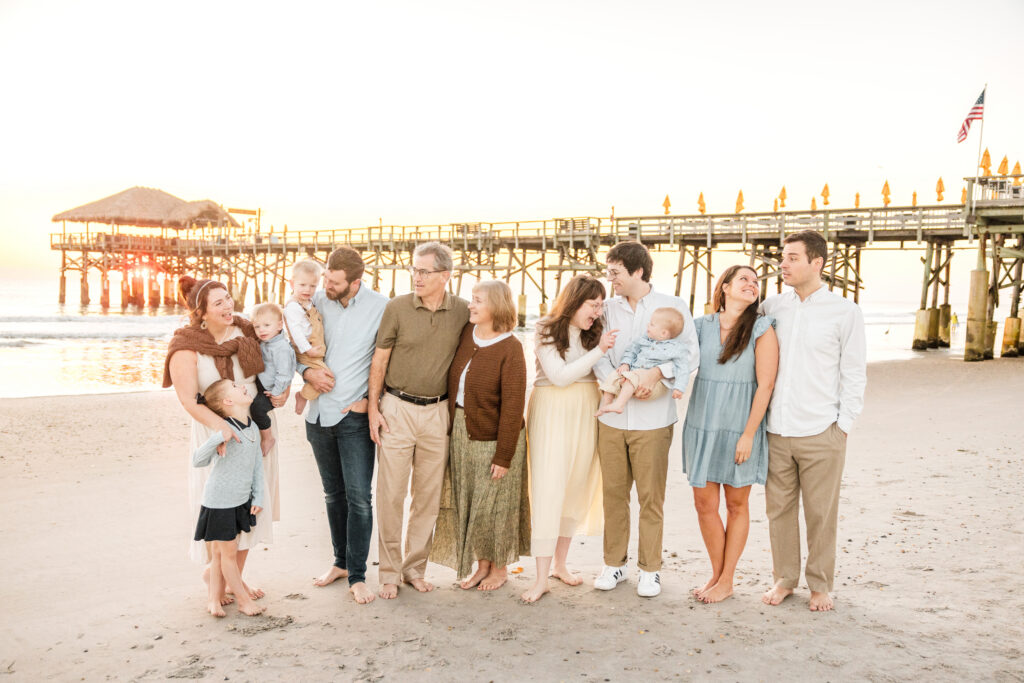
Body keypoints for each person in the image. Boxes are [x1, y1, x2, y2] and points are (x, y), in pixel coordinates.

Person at [760, 230, 866, 612]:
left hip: (823, 429)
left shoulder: (845, 311)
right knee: (779, 511)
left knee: (822, 513)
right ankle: (785, 579)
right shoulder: (772, 307)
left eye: (791, 257)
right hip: (776, 429)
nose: (782, 264)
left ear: (816, 263)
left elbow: (854, 372)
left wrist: (844, 424)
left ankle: (820, 584)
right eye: (782, 257)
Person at [164, 276, 281, 605]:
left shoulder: (246, 331)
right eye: (218, 303)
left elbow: (277, 360)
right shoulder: (186, 345)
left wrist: (281, 392)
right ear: (201, 312)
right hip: (216, 433)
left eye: (228, 298)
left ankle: (234, 579)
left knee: (252, 504)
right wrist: (225, 431)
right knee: (223, 504)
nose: (228, 305)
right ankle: (219, 574)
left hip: (255, 426)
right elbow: (188, 400)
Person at [592, 241, 699, 598]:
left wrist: (655, 376)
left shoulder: (674, 307)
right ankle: (614, 563)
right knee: (613, 495)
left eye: (616, 273)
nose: (610, 279)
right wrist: (619, 380)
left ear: (638, 271)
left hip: (654, 419)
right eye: (608, 273)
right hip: (611, 420)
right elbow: (598, 354)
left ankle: (650, 569)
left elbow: (689, 356)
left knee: (651, 497)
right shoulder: (605, 308)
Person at [368, 242, 470, 599]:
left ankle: (414, 569)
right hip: (396, 407)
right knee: (391, 494)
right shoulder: (397, 307)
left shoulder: (461, 311)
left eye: (425, 271)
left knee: (427, 497)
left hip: (438, 412)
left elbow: (489, 339)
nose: (417, 276)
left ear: (445, 276)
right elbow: (379, 361)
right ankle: (389, 572)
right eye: (414, 269)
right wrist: (373, 410)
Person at [681, 265, 779, 604]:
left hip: (741, 425)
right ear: (724, 287)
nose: (752, 285)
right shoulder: (698, 327)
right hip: (702, 423)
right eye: (744, 280)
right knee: (703, 504)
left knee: (737, 505)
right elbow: (672, 358)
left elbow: (765, 385)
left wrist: (749, 434)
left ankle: (727, 579)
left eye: (756, 282)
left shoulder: (761, 328)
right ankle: (717, 574)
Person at [299, 246, 388, 605]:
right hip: (318, 415)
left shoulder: (381, 307)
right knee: (332, 495)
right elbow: (291, 346)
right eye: (325, 278)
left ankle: (358, 575)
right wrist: (305, 373)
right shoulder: (315, 302)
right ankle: (339, 563)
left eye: (334, 282)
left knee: (359, 499)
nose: (326, 286)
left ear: (356, 283)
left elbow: (389, 357)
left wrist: (373, 401)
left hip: (353, 417)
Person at [521, 275, 617, 603]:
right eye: (593, 304)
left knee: (575, 486)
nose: (598, 311)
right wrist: (599, 351)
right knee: (549, 488)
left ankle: (560, 564)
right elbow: (559, 376)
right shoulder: (546, 329)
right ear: (575, 302)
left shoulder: (595, 332)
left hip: (585, 409)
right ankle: (540, 577)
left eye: (602, 305)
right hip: (552, 409)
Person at [430, 280, 530, 590]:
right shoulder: (466, 334)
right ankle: (482, 565)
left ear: (496, 307)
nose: (470, 305)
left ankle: (499, 568)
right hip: (461, 431)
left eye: (477, 301)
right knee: (471, 503)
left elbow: (514, 407)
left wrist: (504, 455)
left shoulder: (511, 348)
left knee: (495, 506)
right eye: (471, 299)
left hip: (495, 437)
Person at [191, 379, 267, 618]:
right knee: (228, 554)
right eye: (235, 387)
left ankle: (214, 599)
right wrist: (219, 437)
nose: (242, 386)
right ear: (228, 401)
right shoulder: (224, 429)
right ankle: (243, 601)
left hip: (240, 501)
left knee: (220, 555)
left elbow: (257, 467)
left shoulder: (252, 428)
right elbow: (198, 460)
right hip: (219, 501)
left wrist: (259, 496)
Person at [595, 307, 688, 416]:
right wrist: (625, 364)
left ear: (663, 333)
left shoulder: (676, 348)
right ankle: (606, 405)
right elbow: (631, 351)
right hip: (633, 374)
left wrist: (679, 388)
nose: (648, 325)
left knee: (632, 377)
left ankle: (619, 404)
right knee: (613, 376)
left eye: (652, 324)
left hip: (652, 384)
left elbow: (683, 368)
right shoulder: (644, 339)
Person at [284, 259, 328, 416]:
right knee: (327, 378)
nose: (307, 290)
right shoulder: (293, 307)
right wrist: (308, 350)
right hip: (306, 351)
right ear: (292, 284)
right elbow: (296, 333)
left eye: (312, 286)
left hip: (314, 346)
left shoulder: (309, 302)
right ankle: (302, 395)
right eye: (302, 285)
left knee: (326, 376)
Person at [250, 302, 295, 456]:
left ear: (279, 325)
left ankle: (268, 438)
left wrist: (276, 393)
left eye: (266, 325)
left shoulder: (281, 347)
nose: (261, 330)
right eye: (257, 327)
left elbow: (285, 374)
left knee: (257, 409)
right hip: (262, 382)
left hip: (270, 389)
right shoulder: (266, 341)